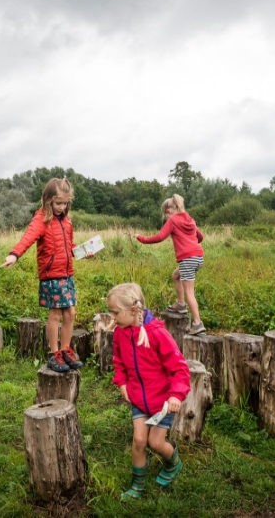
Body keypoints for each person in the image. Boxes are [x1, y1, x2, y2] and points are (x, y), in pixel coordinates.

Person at [107, 282, 191, 500]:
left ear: (133, 310)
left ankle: (173, 463)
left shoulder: (158, 334)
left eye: (115, 312)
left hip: (163, 402)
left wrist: (175, 395)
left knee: (155, 443)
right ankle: (138, 485)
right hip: (139, 399)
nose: (112, 317)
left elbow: (180, 369)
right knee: (139, 440)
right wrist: (122, 382)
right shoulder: (120, 333)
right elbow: (118, 361)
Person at [0, 178, 86, 373]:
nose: (61, 207)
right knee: (55, 314)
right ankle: (54, 353)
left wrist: (83, 252)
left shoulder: (67, 221)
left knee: (70, 313)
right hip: (51, 275)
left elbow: (70, 247)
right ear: (48, 200)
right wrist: (14, 254)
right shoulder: (41, 219)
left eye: (64, 203)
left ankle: (65, 351)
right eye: (58, 203)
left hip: (66, 274)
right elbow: (27, 238)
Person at [135, 194, 206, 335]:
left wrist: (141, 238)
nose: (166, 218)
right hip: (198, 256)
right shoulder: (189, 219)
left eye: (165, 215)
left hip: (188, 258)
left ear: (169, 211)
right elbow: (201, 237)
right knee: (176, 275)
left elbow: (160, 237)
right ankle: (180, 304)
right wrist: (191, 242)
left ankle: (197, 323)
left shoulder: (173, 220)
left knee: (190, 292)